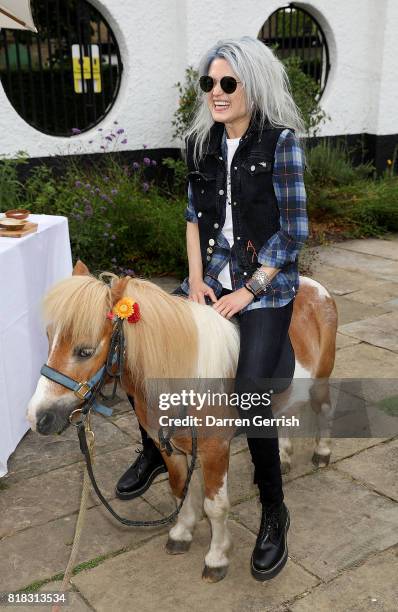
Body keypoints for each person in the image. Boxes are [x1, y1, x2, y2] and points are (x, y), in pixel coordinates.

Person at [115, 35, 308, 581]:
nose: (216, 94)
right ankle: (156, 449)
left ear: (253, 85)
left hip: (264, 287)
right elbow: (193, 219)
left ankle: (274, 510)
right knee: (139, 345)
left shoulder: (281, 144)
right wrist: (196, 282)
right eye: (209, 84)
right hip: (210, 278)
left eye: (228, 83)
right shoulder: (200, 145)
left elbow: (294, 231)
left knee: (250, 397)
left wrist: (246, 293)